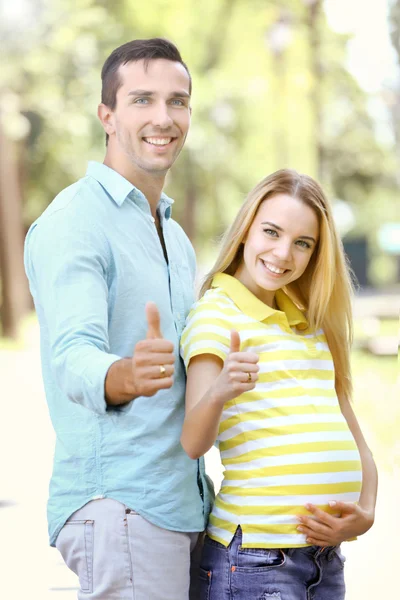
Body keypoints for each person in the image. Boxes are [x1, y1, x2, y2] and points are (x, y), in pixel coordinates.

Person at [24, 38, 212, 600]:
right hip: (123, 506)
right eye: (142, 100)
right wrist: (124, 375)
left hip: (180, 505)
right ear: (106, 115)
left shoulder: (173, 236)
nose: (163, 118)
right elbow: (73, 355)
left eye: (177, 102)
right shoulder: (75, 221)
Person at [180, 169, 377, 600]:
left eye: (302, 243)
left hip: (324, 560)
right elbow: (193, 442)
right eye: (272, 232)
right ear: (246, 229)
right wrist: (221, 390)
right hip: (255, 560)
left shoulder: (311, 325)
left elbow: (354, 436)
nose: (283, 252)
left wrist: (366, 512)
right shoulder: (217, 313)